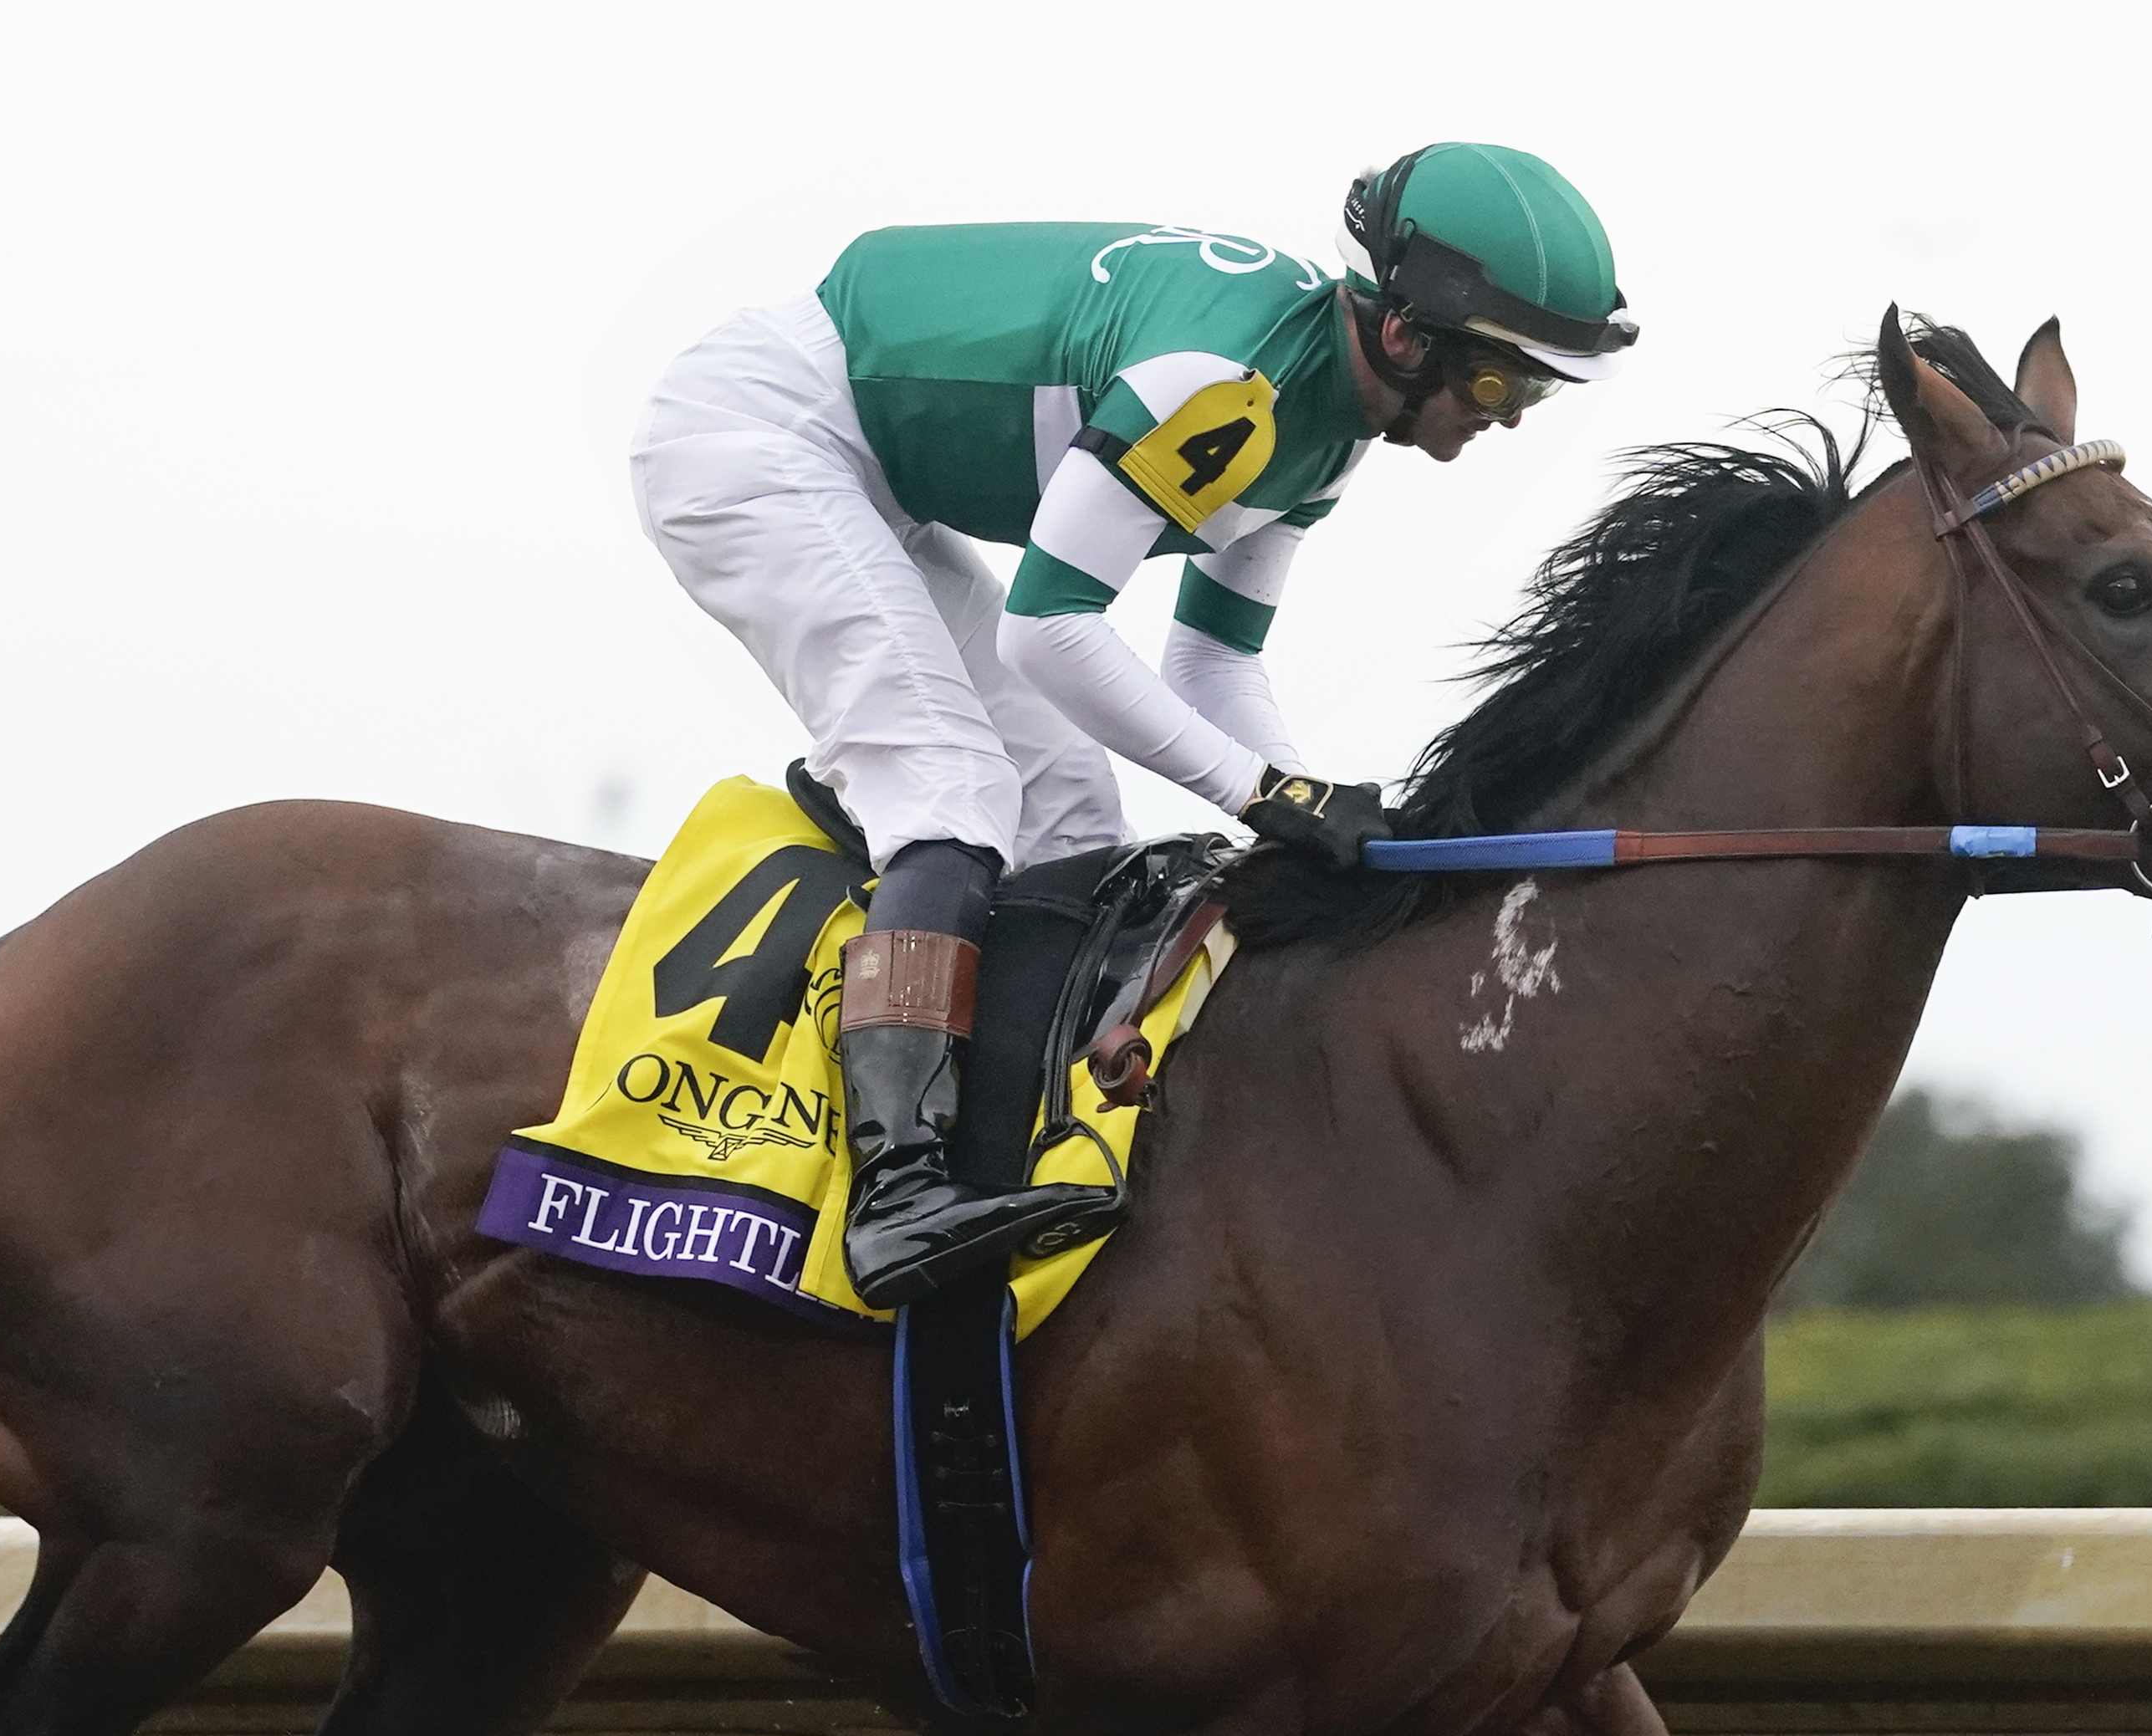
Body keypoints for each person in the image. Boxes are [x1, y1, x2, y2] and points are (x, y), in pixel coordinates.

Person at [631, 145, 1638, 1307]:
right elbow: (1049, 629)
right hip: (762, 433)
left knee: (1069, 809)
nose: (1506, 421)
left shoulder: (1328, 426)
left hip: (863, 465)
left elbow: (1213, 662)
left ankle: (989, 1136)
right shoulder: (1226, 384)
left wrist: (1311, 808)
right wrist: (1265, 796)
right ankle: (895, 1187)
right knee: (954, 781)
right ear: (1407, 336)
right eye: (1502, 385)